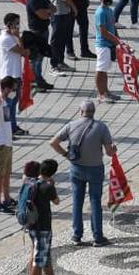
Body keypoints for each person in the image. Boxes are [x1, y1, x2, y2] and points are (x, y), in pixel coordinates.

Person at [49, 99, 117, 247]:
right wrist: (114, 149)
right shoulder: (101, 127)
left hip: (76, 168)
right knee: (95, 202)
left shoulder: (71, 125)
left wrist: (66, 155)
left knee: (77, 201)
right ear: (93, 112)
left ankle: (76, 235)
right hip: (95, 168)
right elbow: (109, 152)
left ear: (80, 111)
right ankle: (98, 237)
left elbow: (53, 142)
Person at [21, 159, 71, 275]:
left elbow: (24, 178)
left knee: (42, 255)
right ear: (53, 173)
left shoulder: (30, 182)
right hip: (43, 227)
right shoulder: (48, 187)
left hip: (31, 225)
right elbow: (56, 201)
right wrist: (52, 185)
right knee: (40, 258)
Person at [0, 77, 18, 213]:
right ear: (6, 89)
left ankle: (6, 199)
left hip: (7, 142)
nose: (13, 91)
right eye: (12, 89)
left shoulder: (6, 101)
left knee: (6, 173)